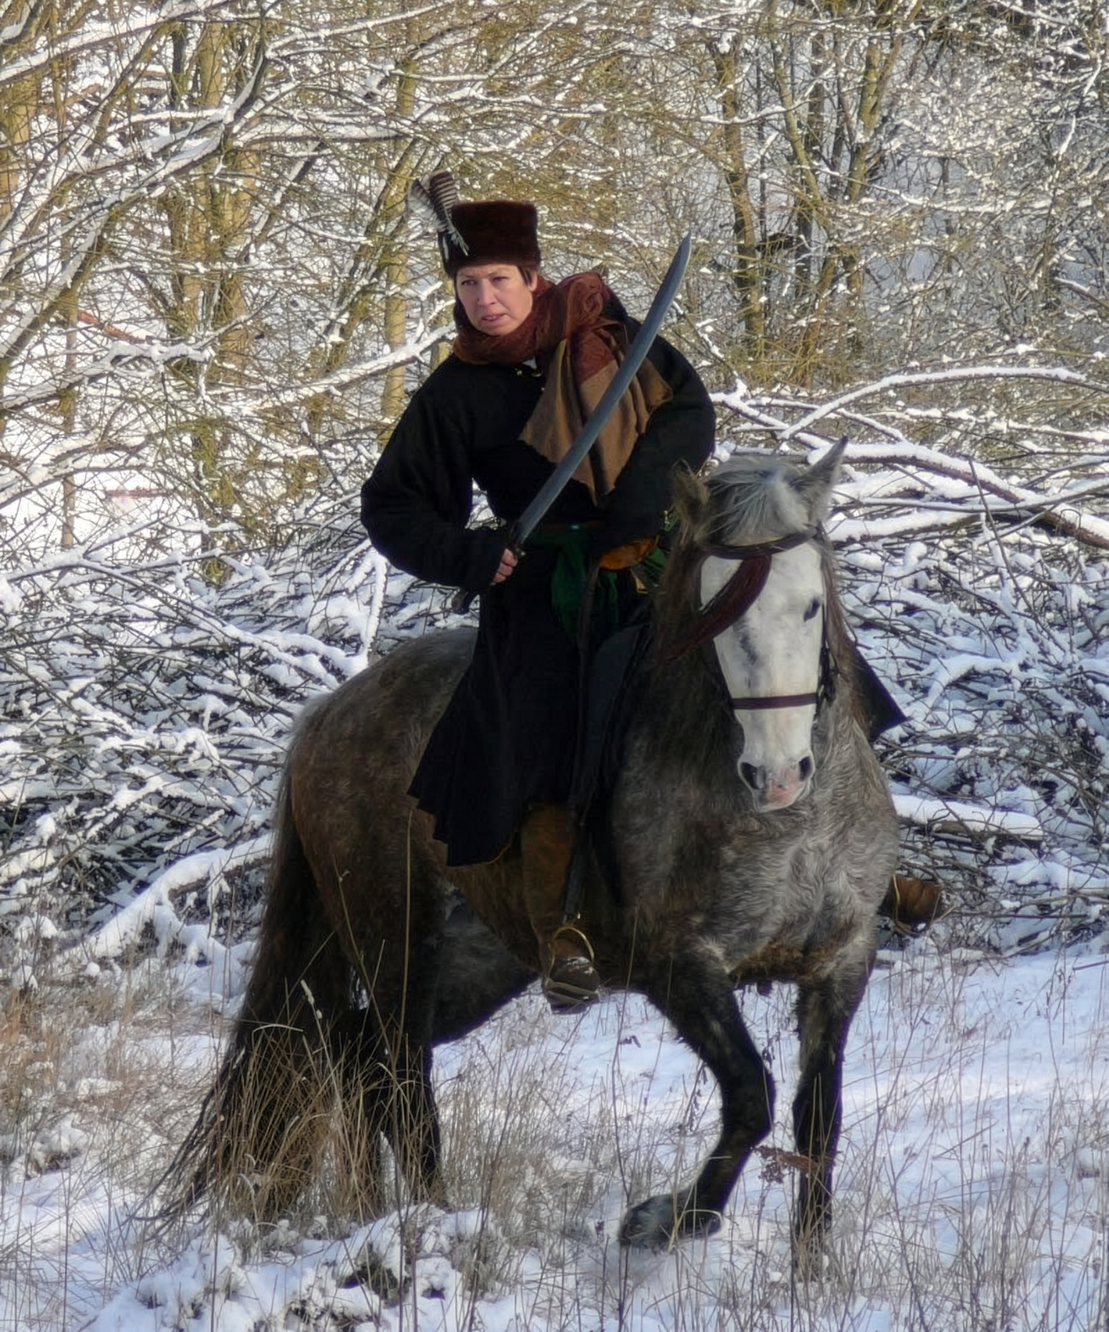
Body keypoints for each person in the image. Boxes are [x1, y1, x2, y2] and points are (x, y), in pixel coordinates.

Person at [361, 171, 715, 1008]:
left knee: (777, 647)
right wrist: (473, 555)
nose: (484, 299)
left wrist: (641, 500)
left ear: (533, 279)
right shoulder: (455, 392)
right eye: (467, 285)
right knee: (553, 737)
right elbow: (391, 506)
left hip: (658, 562)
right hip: (546, 591)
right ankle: (565, 930)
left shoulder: (611, 335)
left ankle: (863, 870)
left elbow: (688, 410)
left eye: (498, 281)